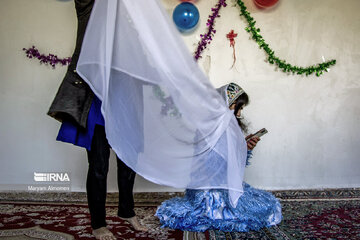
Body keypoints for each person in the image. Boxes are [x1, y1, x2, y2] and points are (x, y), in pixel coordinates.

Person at [47, 1, 147, 239]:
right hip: (97, 105)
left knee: (128, 163)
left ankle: (126, 211)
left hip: (125, 103)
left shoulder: (128, 21)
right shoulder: (88, 10)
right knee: (99, 166)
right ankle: (98, 223)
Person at [155, 83, 282, 232]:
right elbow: (219, 167)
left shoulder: (213, 125)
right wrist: (242, 149)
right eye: (239, 108)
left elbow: (227, 163)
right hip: (212, 192)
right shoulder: (219, 128)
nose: (240, 114)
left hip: (205, 186)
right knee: (267, 208)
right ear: (230, 106)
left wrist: (243, 147)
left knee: (264, 203)